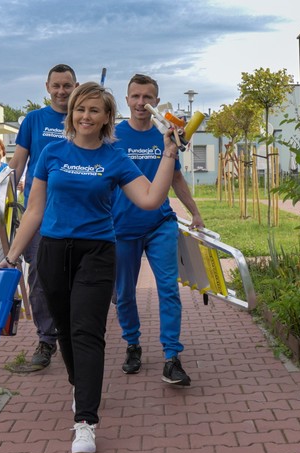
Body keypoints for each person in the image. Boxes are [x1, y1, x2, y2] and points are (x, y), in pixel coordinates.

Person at [0, 82, 179, 453]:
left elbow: (150, 199)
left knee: (87, 332)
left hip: (97, 252)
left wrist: (169, 154)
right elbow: (34, 210)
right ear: (72, 113)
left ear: (107, 118)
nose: (85, 116)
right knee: (64, 329)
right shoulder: (51, 153)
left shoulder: (115, 157)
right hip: (52, 252)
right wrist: (12, 256)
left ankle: (85, 421)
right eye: (81, 109)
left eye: (95, 110)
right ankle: (81, 390)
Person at [112, 74, 205, 386]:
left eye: (147, 97)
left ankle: (171, 357)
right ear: (126, 100)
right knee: (124, 292)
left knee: (168, 289)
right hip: (122, 227)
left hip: (160, 225)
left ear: (156, 100)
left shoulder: (164, 134)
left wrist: (194, 211)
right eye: (135, 96)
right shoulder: (112, 136)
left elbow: (176, 178)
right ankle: (133, 344)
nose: (141, 103)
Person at [7, 64, 78, 371]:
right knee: (39, 278)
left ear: (75, 86)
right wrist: (7, 201)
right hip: (38, 214)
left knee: (76, 277)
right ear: (47, 87)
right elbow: (18, 162)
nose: (62, 91)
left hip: (75, 211)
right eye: (57, 85)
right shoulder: (34, 120)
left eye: (67, 85)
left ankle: (74, 335)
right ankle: (46, 339)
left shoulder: (83, 117)